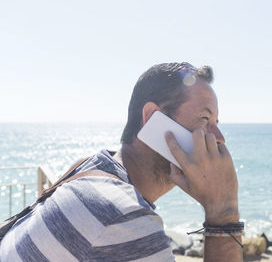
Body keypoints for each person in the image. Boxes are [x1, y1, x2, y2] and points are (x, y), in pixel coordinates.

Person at [0, 62, 242, 262]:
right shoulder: (124, 218)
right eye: (204, 119)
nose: (219, 139)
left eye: (216, 125)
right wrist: (223, 208)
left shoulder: (90, 167)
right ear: (152, 119)